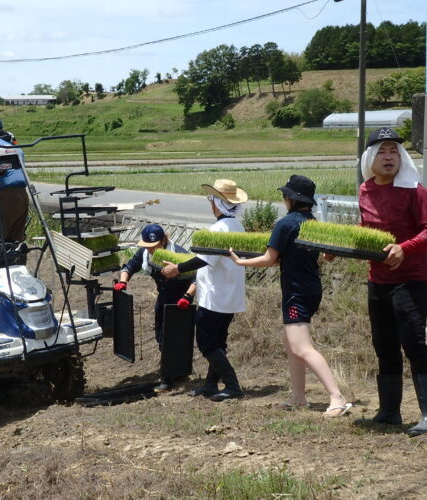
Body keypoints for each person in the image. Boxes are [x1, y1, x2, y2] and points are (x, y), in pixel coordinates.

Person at [229, 175, 351, 416]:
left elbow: (268, 259)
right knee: (291, 343)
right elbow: (324, 255)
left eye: (285, 196)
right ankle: (298, 396)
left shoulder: (286, 224)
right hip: (312, 289)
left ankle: (337, 397)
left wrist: (239, 261)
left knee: (302, 346)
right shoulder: (312, 223)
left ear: (292, 199)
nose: (284, 199)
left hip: (296, 293)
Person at [359, 127, 427, 436]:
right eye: (383, 151)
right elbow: (365, 228)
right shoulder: (365, 190)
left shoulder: (415, 191)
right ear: (371, 157)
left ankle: (426, 415)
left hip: (411, 280)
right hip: (378, 280)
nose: (390, 157)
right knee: (384, 346)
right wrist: (342, 249)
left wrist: (405, 247)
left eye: (395, 151)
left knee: (415, 344)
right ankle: (389, 412)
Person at [161, 179, 247, 402]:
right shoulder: (238, 226)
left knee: (207, 344)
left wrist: (177, 268)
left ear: (217, 204)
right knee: (218, 342)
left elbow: (203, 260)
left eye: (212, 201)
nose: (211, 205)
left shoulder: (218, 229)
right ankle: (210, 385)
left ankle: (232, 385)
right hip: (230, 295)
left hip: (215, 296)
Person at [114, 223, 195, 392]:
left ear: (163, 241)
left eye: (154, 246)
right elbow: (129, 267)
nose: (150, 250)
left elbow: (197, 278)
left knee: (173, 339)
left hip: (181, 300)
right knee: (161, 337)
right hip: (163, 298)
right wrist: (123, 281)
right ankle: (175, 373)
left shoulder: (179, 254)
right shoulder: (145, 254)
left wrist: (187, 296)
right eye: (148, 247)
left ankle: (168, 379)